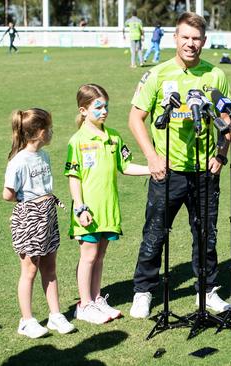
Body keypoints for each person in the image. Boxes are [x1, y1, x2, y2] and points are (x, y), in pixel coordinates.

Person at [127, 12, 231, 319]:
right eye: (185, 37)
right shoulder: (158, 74)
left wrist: (221, 154)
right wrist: (151, 157)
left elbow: (227, 121)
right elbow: (136, 117)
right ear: (175, 38)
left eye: (196, 38)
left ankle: (208, 290)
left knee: (205, 234)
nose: (190, 43)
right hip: (167, 171)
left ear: (204, 41)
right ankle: (144, 291)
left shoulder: (215, 75)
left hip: (204, 171)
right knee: (155, 233)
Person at [65, 84, 150, 324]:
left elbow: (125, 166)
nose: (104, 111)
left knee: (100, 256)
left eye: (106, 106)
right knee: (88, 256)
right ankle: (84, 305)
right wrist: (79, 207)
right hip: (88, 212)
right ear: (83, 110)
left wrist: (151, 169)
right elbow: (74, 177)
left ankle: (96, 298)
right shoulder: (78, 141)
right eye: (98, 107)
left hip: (108, 210)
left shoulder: (113, 136)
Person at [3, 108, 75, 338]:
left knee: (50, 267)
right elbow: (8, 194)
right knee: (30, 270)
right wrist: (30, 204)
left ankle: (55, 315)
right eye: (49, 128)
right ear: (39, 132)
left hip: (48, 215)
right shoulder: (18, 161)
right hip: (30, 216)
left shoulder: (44, 156)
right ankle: (27, 321)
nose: (52, 132)